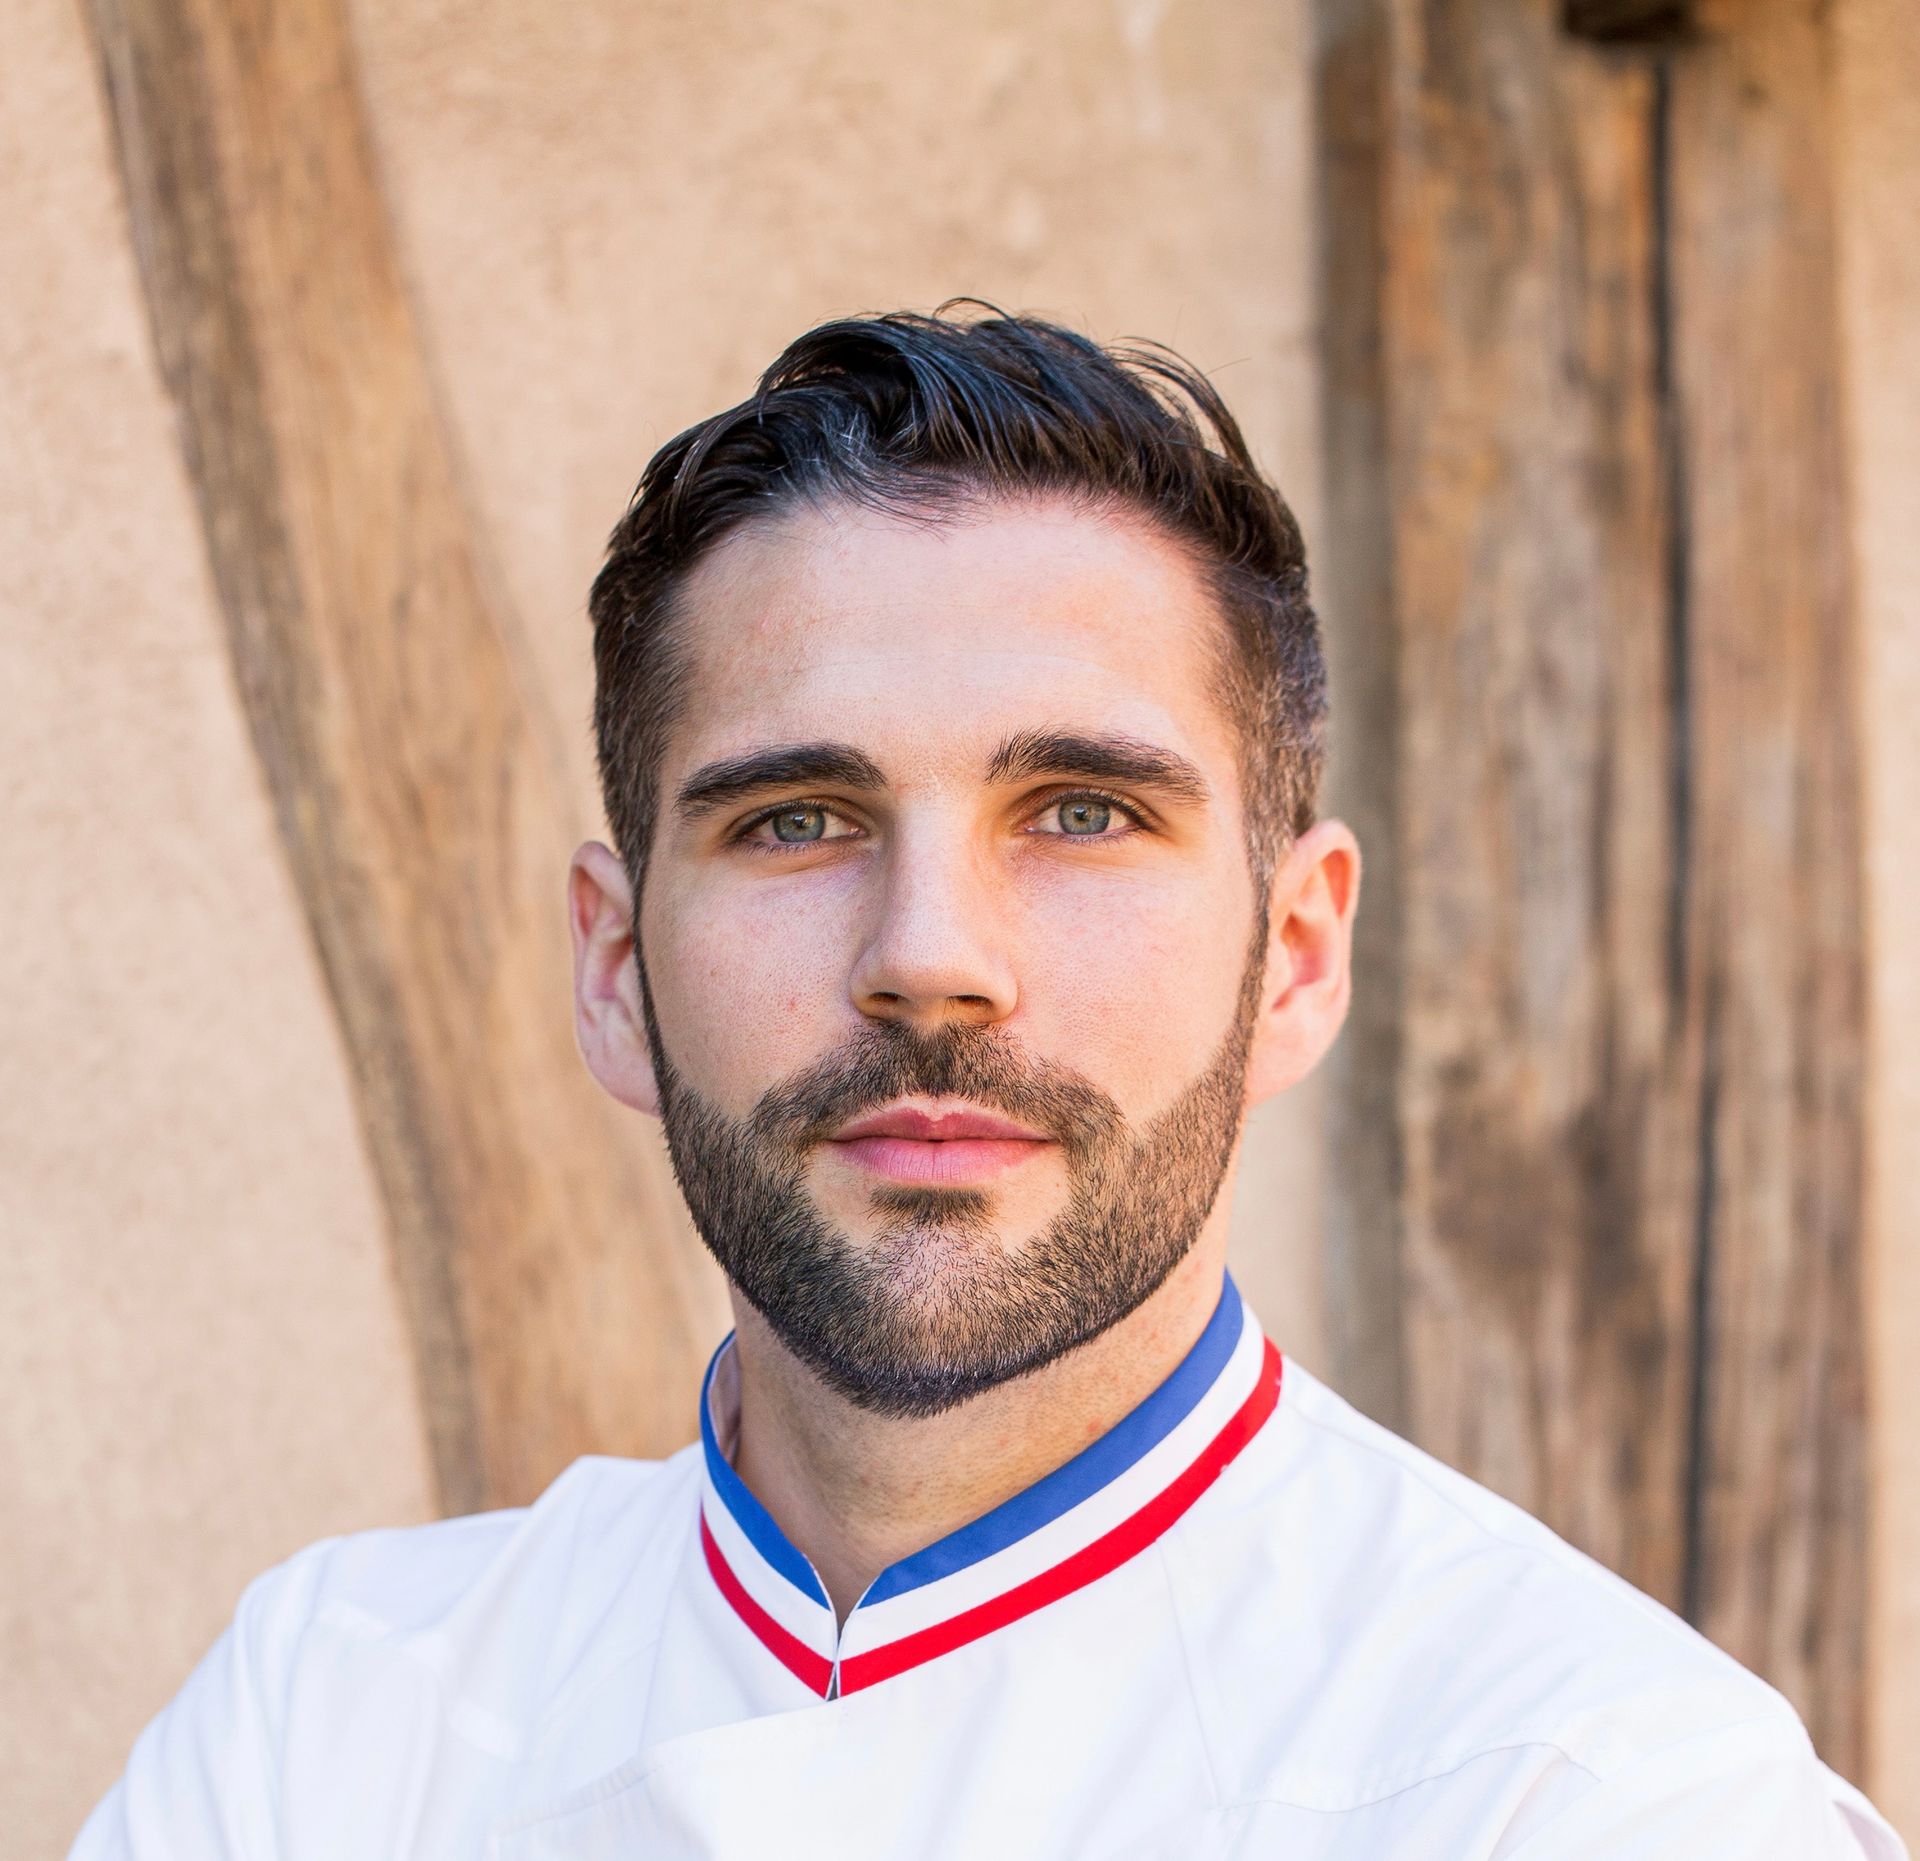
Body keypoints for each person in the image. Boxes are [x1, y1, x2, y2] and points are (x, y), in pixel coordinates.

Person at [74, 308, 1904, 1860]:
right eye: (797, 819)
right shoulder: (331, 1725)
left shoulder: (1591, 1794)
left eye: (1083, 811)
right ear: (618, 968)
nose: (931, 954)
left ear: (1295, 954)